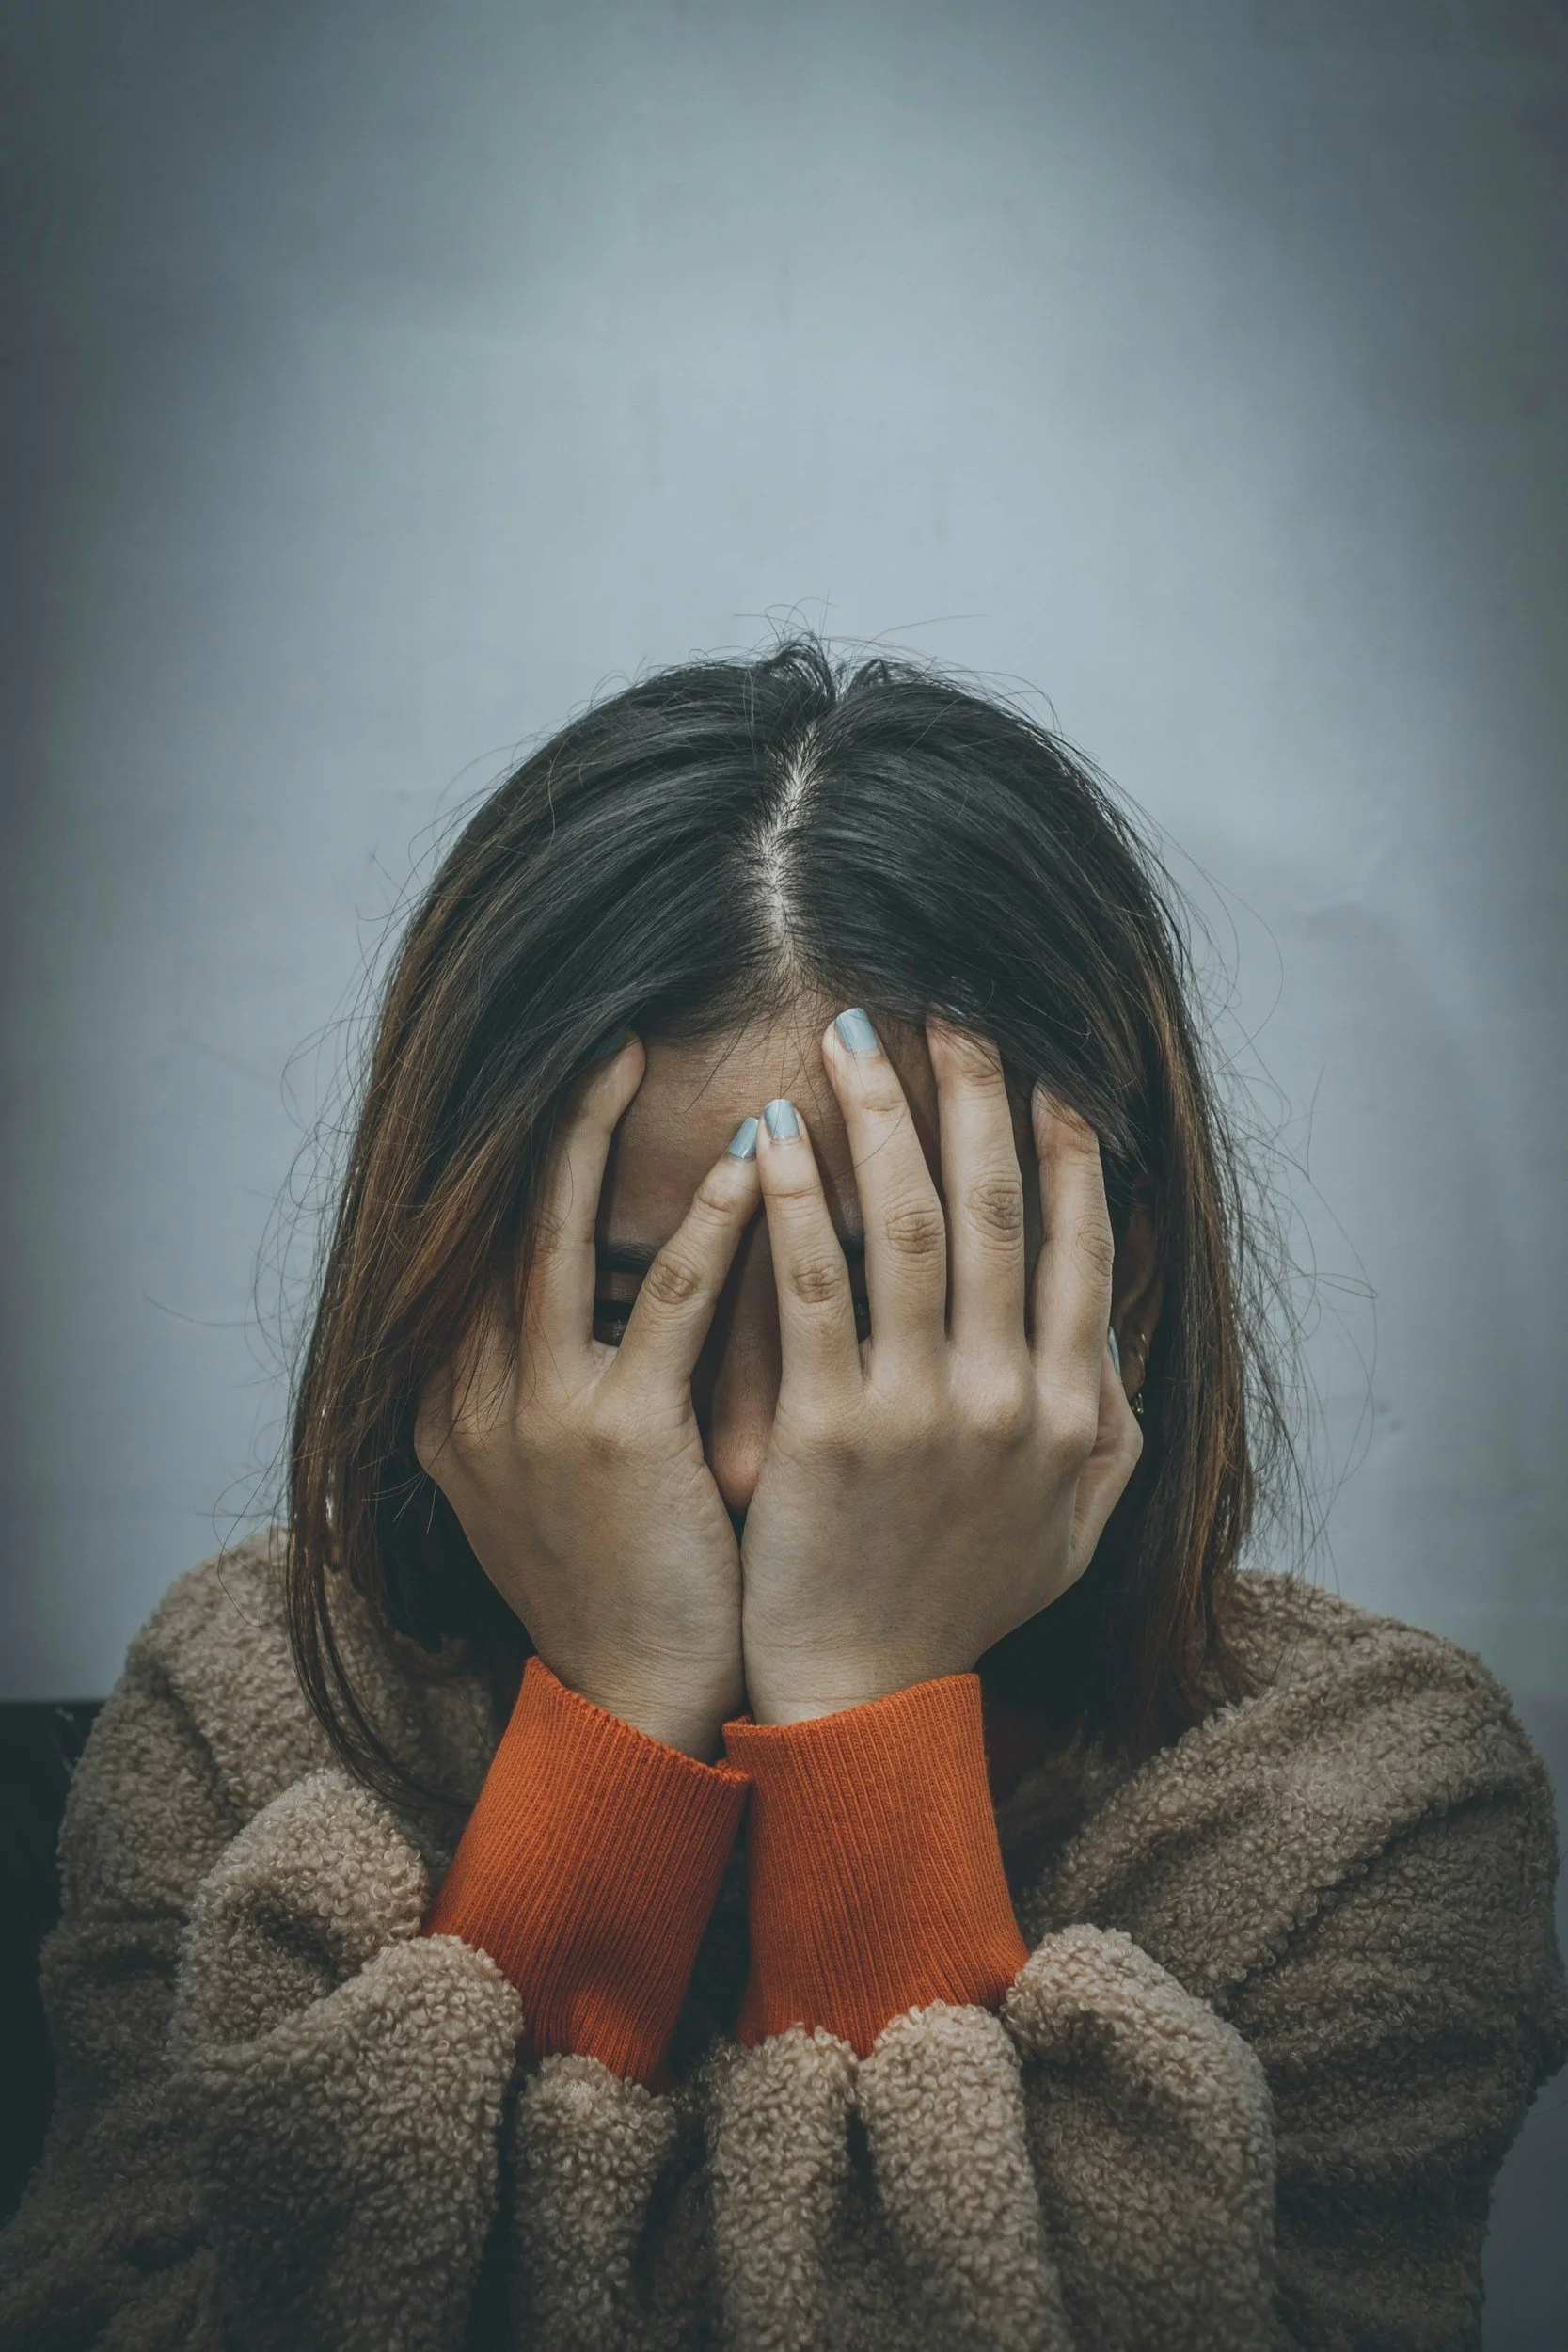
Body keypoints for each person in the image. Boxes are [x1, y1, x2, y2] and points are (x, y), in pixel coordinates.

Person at [1, 639, 1562, 2352]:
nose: (745, 1459)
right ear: (435, 1282)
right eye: (624, 1310)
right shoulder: (256, 1704)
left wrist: (862, 1717)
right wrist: (609, 1744)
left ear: (1108, 1290)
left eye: (875, 1322)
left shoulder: (1362, 1803)